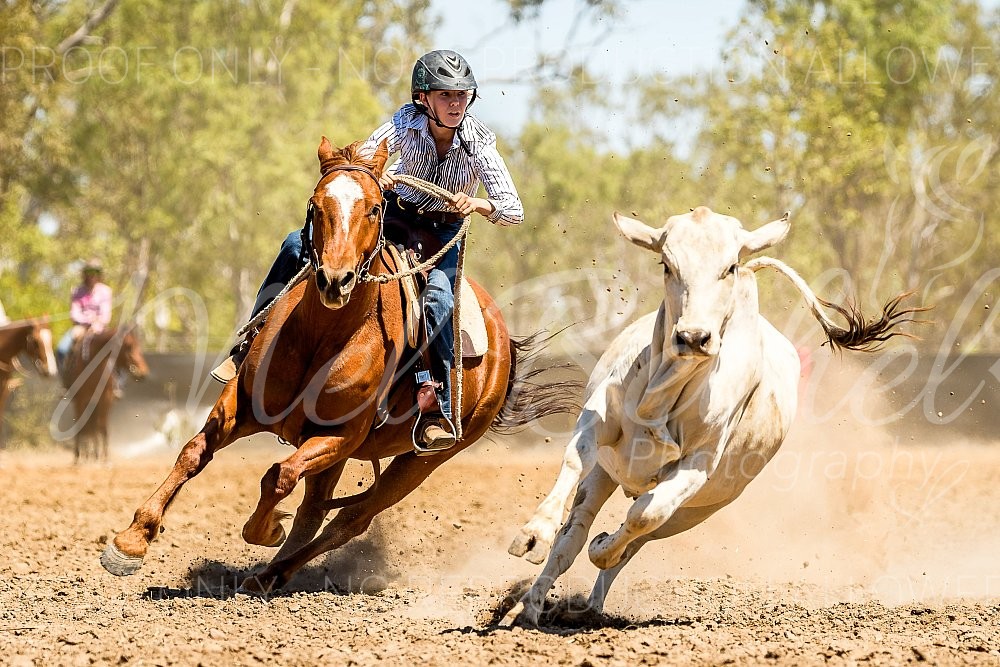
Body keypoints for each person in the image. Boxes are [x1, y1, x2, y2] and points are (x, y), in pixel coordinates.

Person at [211, 49, 523, 452]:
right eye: (445, 95)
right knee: (294, 244)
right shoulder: (404, 122)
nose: (455, 104)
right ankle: (247, 345)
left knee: (439, 299)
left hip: (441, 234)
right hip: (393, 220)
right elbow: (364, 155)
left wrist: (478, 203)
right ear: (423, 99)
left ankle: (437, 401)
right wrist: (375, 175)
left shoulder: (479, 141)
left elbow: (513, 208)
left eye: (462, 95)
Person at [57, 258, 117, 394]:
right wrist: (88, 321)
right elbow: (74, 313)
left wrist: (97, 323)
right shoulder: (77, 291)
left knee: (118, 348)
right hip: (81, 328)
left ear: (99, 274)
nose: (92, 275)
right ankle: (66, 383)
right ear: (84, 274)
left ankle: (117, 383)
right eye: (89, 272)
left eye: (95, 272)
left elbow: (105, 314)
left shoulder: (106, 291)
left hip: (100, 328)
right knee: (62, 349)